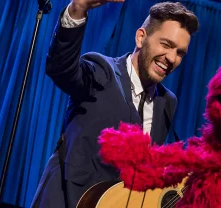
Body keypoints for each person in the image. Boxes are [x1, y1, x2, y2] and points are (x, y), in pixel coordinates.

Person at [31, 0, 199, 207]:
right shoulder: (101, 70)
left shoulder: (167, 102)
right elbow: (61, 68)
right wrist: (77, 9)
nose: (172, 58)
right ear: (140, 37)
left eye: (180, 53)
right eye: (166, 45)